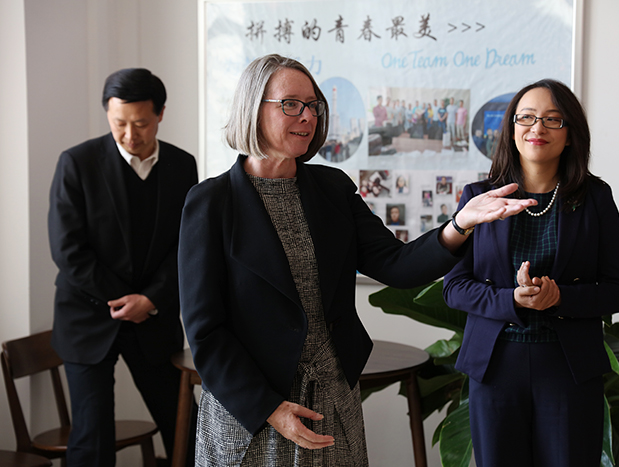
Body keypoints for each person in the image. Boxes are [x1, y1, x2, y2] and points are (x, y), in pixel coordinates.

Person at [177, 53, 537, 467]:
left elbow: (396, 263)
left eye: (313, 105)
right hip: (251, 409)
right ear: (252, 109)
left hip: (331, 399)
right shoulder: (211, 203)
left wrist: (460, 224)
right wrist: (269, 408)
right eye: (291, 104)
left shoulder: (332, 188)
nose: (307, 116)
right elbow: (206, 330)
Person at [443, 79, 619, 467]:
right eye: (526, 117)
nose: (537, 128)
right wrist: (510, 299)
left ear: (571, 133)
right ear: (512, 129)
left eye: (552, 119)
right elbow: (454, 288)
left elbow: (618, 290)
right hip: (495, 366)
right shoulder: (479, 196)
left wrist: (559, 297)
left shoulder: (595, 198)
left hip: (568, 367)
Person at [48, 68, 199, 466]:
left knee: (187, 428)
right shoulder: (77, 163)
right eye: (119, 123)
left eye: (141, 123)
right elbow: (68, 251)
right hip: (87, 318)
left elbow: (186, 246)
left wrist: (150, 299)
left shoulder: (182, 165)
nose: (130, 135)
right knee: (92, 440)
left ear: (161, 114)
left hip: (153, 317)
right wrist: (126, 299)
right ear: (108, 115)